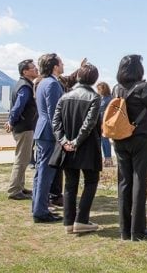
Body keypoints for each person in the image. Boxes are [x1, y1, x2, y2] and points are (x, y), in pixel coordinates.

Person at [112, 54, 147, 241]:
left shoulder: (117, 89)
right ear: (138, 70)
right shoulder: (144, 88)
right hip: (142, 139)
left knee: (124, 182)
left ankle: (124, 230)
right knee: (140, 181)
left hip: (120, 138)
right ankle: (138, 230)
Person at [51, 63, 103, 234]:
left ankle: (68, 222)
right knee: (91, 181)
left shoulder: (65, 96)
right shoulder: (94, 97)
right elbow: (89, 123)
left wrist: (64, 141)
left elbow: (56, 122)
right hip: (87, 146)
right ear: (94, 79)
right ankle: (81, 220)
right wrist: (76, 142)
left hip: (66, 148)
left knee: (70, 185)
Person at [31, 53, 65, 224]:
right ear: (54, 66)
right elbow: (54, 113)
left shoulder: (44, 82)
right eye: (61, 62)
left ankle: (38, 207)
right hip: (49, 134)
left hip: (42, 131)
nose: (63, 64)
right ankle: (41, 211)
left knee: (40, 172)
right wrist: (61, 136)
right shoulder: (52, 84)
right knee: (45, 172)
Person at [5, 59, 39, 201]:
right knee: (22, 159)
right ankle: (14, 190)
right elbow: (18, 106)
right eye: (33, 68)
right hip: (24, 127)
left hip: (23, 126)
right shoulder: (25, 86)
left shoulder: (23, 84)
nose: (36, 69)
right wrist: (11, 121)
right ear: (25, 71)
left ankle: (20, 186)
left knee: (24, 158)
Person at [96, 81, 114, 167]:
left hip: (105, 122)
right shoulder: (101, 98)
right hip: (99, 123)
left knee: (105, 140)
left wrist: (104, 123)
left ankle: (108, 159)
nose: (98, 91)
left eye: (99, 89)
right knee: (101, 141)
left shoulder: (109, 98)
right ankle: (104, 158)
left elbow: (109, 112)